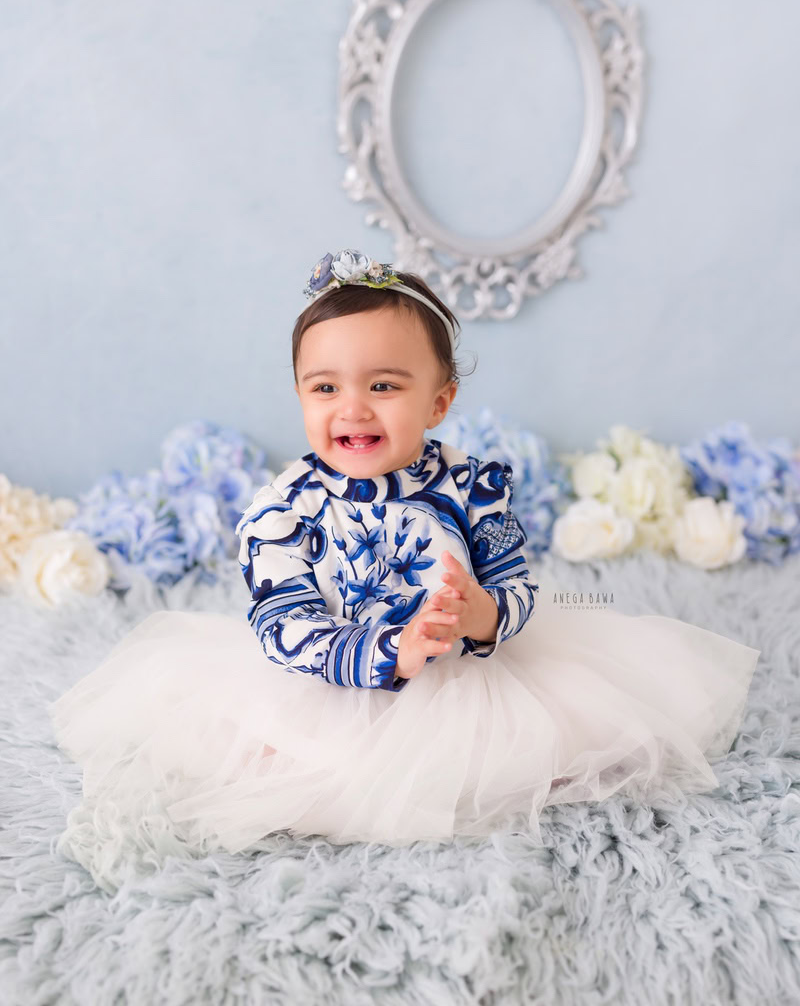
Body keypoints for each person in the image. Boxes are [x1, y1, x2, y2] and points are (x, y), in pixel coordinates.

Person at [47, 246, 761, 890]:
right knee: (281, 764)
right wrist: (393, 649)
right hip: (330, 679)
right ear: (299, 395)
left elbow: (517, 584)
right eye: (325, 388)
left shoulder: (471, 487)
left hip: (463, 682)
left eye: (384, 386)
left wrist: (481, 612)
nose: (352, 408)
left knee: (545, 753)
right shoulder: (283, 510)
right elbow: (282, 625)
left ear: (438, 401)